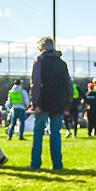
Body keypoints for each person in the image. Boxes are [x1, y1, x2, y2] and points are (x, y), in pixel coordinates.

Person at [28, 36, 72, 170]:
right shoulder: (61, 63)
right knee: (56, 133)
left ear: (42, 47)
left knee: (39, 132)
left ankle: (36, 164)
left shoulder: (40, 61)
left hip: (43, 101)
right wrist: (68, 103)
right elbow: (68, 84)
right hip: (58, 102)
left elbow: (35, 83)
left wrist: (35, 103)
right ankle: (57, 164)